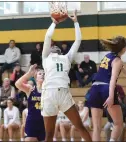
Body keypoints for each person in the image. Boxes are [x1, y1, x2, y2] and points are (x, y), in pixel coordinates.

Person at [86, 36, 126, 141]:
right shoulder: (117, 60)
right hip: (106, 88)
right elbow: (112, 79)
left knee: (97, 128)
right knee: (118, 124)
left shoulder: (107, 56)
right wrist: (111, 96)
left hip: (94, 88)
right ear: (124, 48)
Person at [41, 11, 92, 141]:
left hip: (62, 93)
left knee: (80, 126)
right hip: (50, 93)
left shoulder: (66, 57)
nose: (54, 46)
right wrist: (54, 23)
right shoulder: (46, 57)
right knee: (49, 134)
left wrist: (76, 22)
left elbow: (78, 40)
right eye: (53, 46)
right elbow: (47, 37)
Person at [15, 65, 45, 141]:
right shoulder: (30, 88)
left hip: (44, 121)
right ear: (35, 77)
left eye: (44, 74)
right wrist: (28, 74)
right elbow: (17, 84)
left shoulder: (49, 90)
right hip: (32, 121)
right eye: (40, 73)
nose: (42, 75)